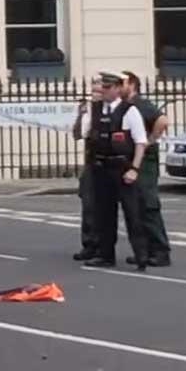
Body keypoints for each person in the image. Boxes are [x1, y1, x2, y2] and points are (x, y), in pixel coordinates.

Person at [81, 71, 150, 270]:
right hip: (101, 167)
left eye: (108, 87)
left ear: (118, 89)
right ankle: (105, 255)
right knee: (103, 214)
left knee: (133, 213)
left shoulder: (129, 111)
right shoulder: (95, 109)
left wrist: (134, 168)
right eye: (103, 87)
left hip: (122, 168)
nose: (104, 91)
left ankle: (141, 254)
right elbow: (84, 134)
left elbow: (140, 142)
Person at [122, 71, 171, 268]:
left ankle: (160, 251)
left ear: (132, 84)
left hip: (146, 163)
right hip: (134, 159)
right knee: (137, 207)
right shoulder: (127, 106)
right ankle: (145, 250)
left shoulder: (141, 104)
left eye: (122, 82)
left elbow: (162, 121)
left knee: (148, 204)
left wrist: (150, 141)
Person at [70, 88, 101, 261]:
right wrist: (81, 114)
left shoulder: (112, 109)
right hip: (91, 164)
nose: (95, 92)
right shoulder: (88, 110)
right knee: (89, 206)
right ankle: (90, 245)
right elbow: (77, 134)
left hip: (109, 164)